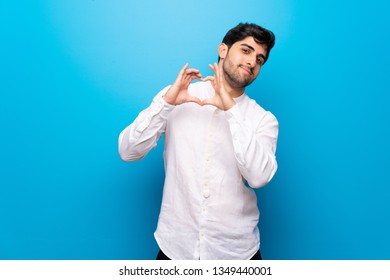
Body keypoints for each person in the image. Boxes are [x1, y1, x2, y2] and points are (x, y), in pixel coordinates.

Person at [118, 23, 278, 260]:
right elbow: (128, 151)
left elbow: (259, 177)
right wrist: (166, 104)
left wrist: (232, 111)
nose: (253, 61)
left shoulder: (263, 119)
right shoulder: (178, 96)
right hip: (176, 248)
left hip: (236, 253)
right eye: (246, 50)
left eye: (260, 58)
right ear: (223, 50)